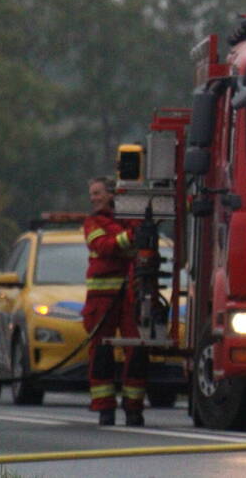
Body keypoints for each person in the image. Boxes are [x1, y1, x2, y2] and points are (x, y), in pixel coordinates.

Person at [82, 176, 147, 426]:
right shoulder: (92, 222)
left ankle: (134, 408)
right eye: (92, 194)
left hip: (131, 296)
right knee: (101, 352)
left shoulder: (128, 219)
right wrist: (129, 238)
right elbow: (103, 245)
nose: (93, 198)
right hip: (102, 301)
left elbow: (133, 242)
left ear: (112, 194)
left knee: (137, 349)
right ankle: (104, 409)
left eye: (97, 193)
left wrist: (125, 238)